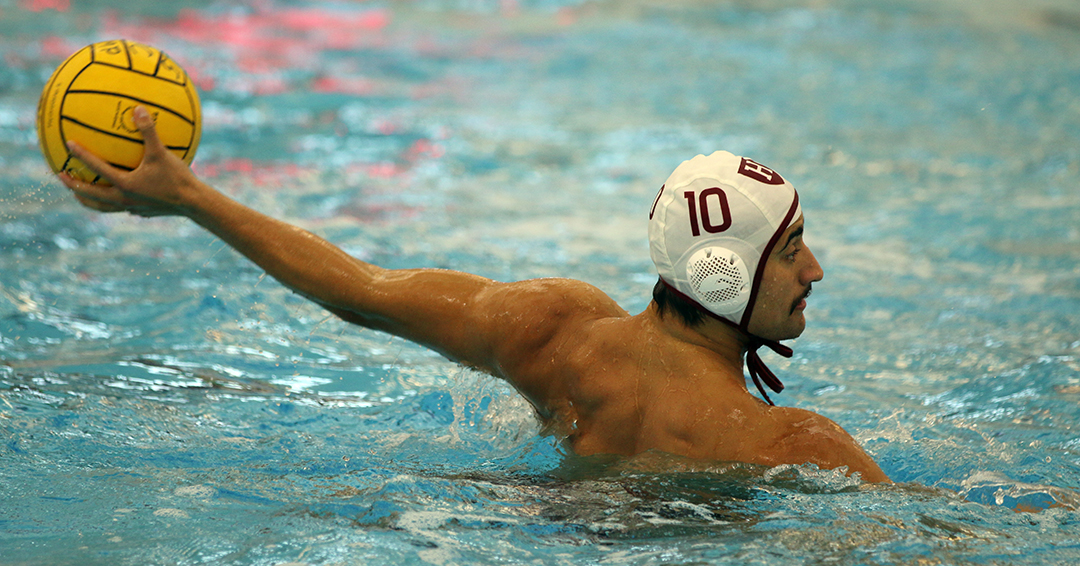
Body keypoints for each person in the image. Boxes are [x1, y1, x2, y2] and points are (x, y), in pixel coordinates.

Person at [58, 106, 890, 483]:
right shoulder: (795, 447)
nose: (814, 269)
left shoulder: (556, 334)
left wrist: (191, 197)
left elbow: (359, 292)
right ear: (724, 272)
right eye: (790, 249)